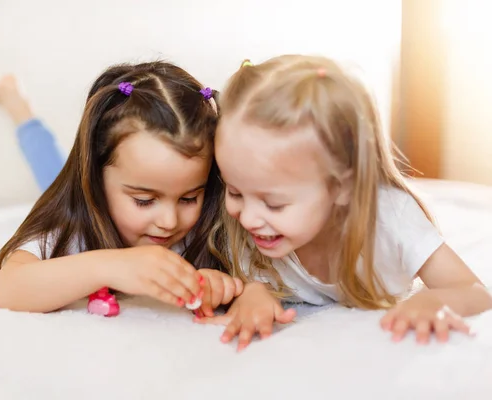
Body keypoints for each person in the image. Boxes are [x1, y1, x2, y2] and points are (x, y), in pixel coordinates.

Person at [200, 55, 492, 351]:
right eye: (234, 192)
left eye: (274, 204)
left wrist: (433, 299)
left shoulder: (391, 219)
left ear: (342, 187)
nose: (247, 217)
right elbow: (248, 283)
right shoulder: (254, 232)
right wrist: (252, 294)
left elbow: (474, 290)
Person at [0, 62, 242, 315]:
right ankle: (18, 106)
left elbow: (259, 281)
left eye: (188, 198)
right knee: (49, 168)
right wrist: (111, 266)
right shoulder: (72, 228)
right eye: (144, 200)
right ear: (96, 177)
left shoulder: (214, 222)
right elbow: (6, 291)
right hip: (77, 189)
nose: (169, 221)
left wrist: (218, 285)